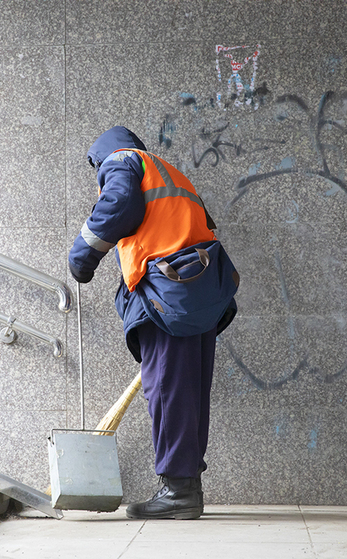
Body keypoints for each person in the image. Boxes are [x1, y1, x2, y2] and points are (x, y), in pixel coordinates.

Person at [69, 126, 238, 520]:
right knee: (187, 393)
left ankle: (179, 491)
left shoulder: (122, 161)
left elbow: (119, 205)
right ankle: (185, 488)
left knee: (166, 390)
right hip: (197, 294)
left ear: (101, 156)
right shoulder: (170, 172)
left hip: (167, 295)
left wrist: (82, 257)